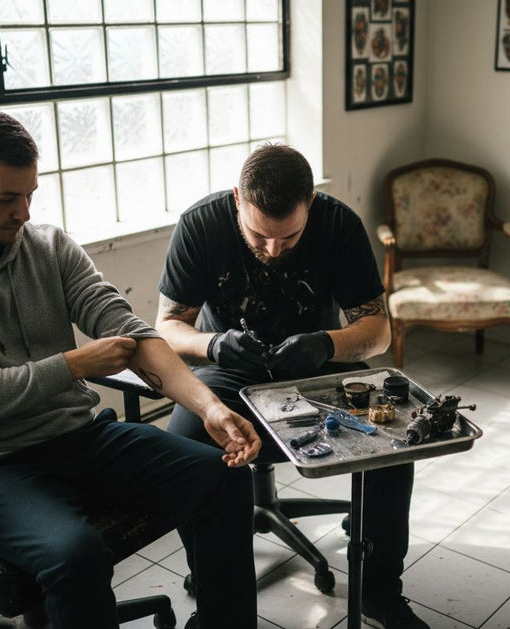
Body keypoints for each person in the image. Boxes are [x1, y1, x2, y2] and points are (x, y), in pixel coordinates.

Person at [0, 109, 262, 629]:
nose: (23, 213)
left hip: (77, 437)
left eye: (30, 194)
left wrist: (209, 407)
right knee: (76, 555)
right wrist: (75, 363)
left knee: (222, 479)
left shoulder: (49, 246)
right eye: (5, 198)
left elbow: (131, 332)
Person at [156, 143, 427, 629]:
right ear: (237, 199)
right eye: (259, 235)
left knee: (394, 449)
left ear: (311, 204)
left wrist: (326, 342)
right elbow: (168, 327)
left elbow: (378, 330)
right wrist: (213, 345)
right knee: (182, 452)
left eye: (290, 236)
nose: (274, 250)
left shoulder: (339, 224)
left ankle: (380, 591)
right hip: (230, 370)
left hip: (318, 366)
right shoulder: (200, 225)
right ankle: (217, 595)